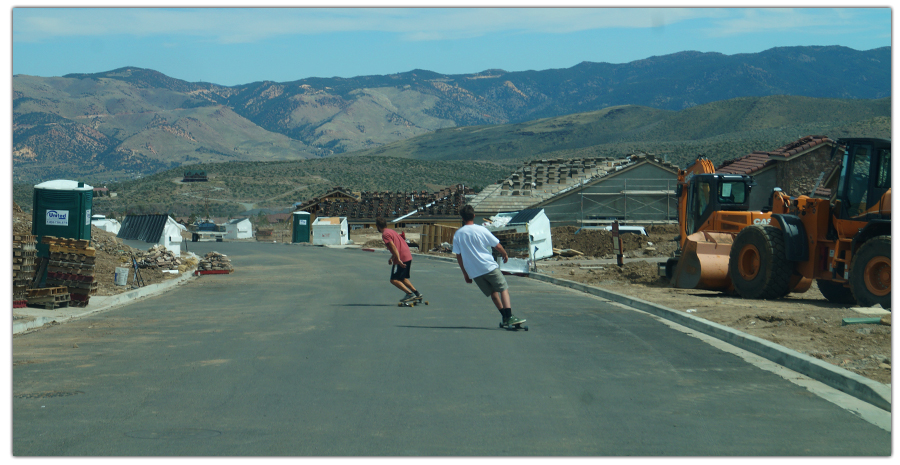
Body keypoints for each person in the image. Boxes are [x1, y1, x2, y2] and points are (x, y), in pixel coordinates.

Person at [452, 205, 525, 326]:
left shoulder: (458, 234)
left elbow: (458, 256)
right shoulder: (481, 230)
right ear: (474, 216)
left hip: (474, 271)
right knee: (503, 288)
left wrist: (465, 273)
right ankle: (510, 316)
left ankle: (505, 317)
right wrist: (504, 254)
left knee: (493, 293)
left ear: (462, 218)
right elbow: (497, 245)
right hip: (488, 266)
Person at [376, 217, 422, 304]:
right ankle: (417, 294)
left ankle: (409, 294)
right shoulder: (391, 231)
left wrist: (398, 259)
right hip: (407, 255)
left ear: (378, 226)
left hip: (401, 257)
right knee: (402, 278)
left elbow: (394, 247)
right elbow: (398, 245)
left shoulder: (385, 234)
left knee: (393, 279)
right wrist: (392, 258)